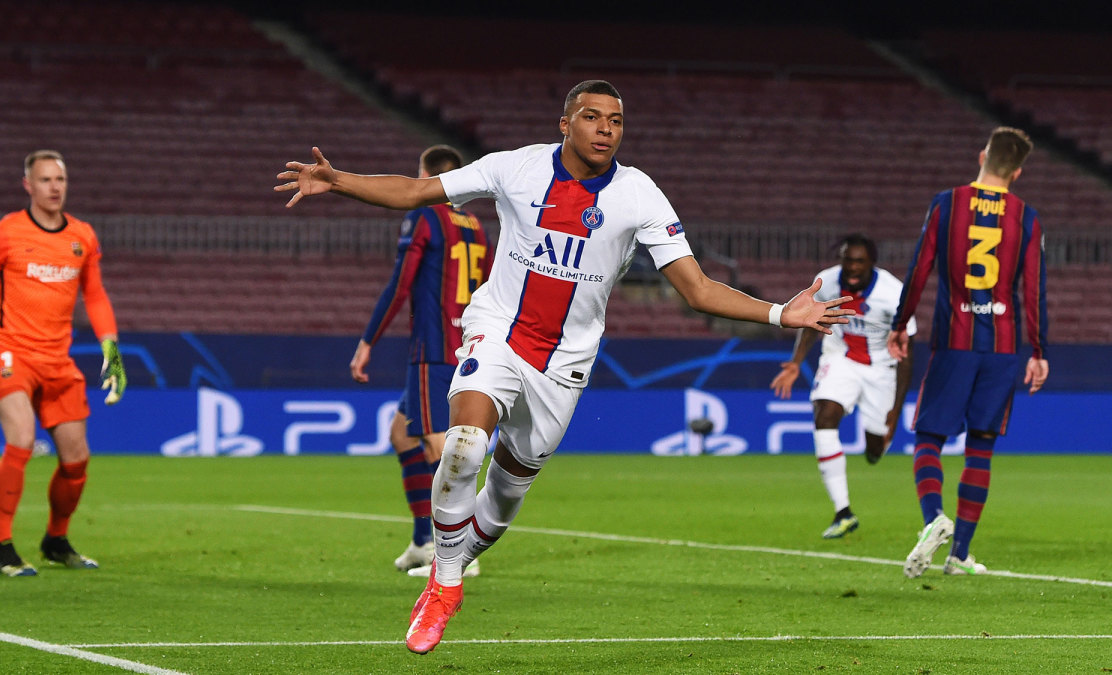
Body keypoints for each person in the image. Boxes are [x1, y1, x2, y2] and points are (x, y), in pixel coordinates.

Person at [276, 79, 855, 654]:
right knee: (462, 446)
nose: (606, 129)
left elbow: (698, 289)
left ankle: (448, 564)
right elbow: (415, 190)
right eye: (593, 117)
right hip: (498, 331)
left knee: (502, 501)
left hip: (566, 364)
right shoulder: (517, 168)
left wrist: (782, 313)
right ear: (565, 123)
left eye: (616, 120)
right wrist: (339, 180)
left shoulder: (638, 195)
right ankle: (445, 583)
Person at [0, 149, 126, 577]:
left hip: (57, 358)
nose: (54, 187)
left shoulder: (82, 237)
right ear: (28, 185)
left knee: (77, 458)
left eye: (59, 179)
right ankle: (1, 547)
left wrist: (111, 349)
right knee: (22, 438)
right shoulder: (4, 234)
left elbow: (95, 296)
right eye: (44, 180)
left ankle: (55, 540)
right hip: (9, 351)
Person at [888, 127, 1049, 578]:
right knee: (981, 448)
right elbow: (1033, 290)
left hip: (954, 342)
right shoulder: (1028, 218)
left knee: (929, 439)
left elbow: (919, 268)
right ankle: (959, 553)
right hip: (1002, 347)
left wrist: (901, 325)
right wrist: (1038, 349)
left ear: (982, 156)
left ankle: (933, 518)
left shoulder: (947, 204)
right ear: (1016, 172)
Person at [349, 145, 491, 575]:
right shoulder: (477, 226)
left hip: (434, 347)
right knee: (402, 435)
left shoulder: (426, 216)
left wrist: (368, 339)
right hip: (464, 341)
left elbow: (400, 283)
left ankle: (457, 553)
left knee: (436, 444)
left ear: (427, 176)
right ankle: (421, 541)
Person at [770, 234, 915, 539]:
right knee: (825, 415)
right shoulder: (827, 282)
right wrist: (796, 362)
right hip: (841, 359)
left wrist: (896, 410)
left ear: (872, 264)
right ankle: (843, 512)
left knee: (875, 450)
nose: (852, 267)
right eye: (847, 259)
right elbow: (810, 323)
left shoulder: (894, 294)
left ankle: (877, 444)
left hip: (882, 370)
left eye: (859, 262)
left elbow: (906, 355)